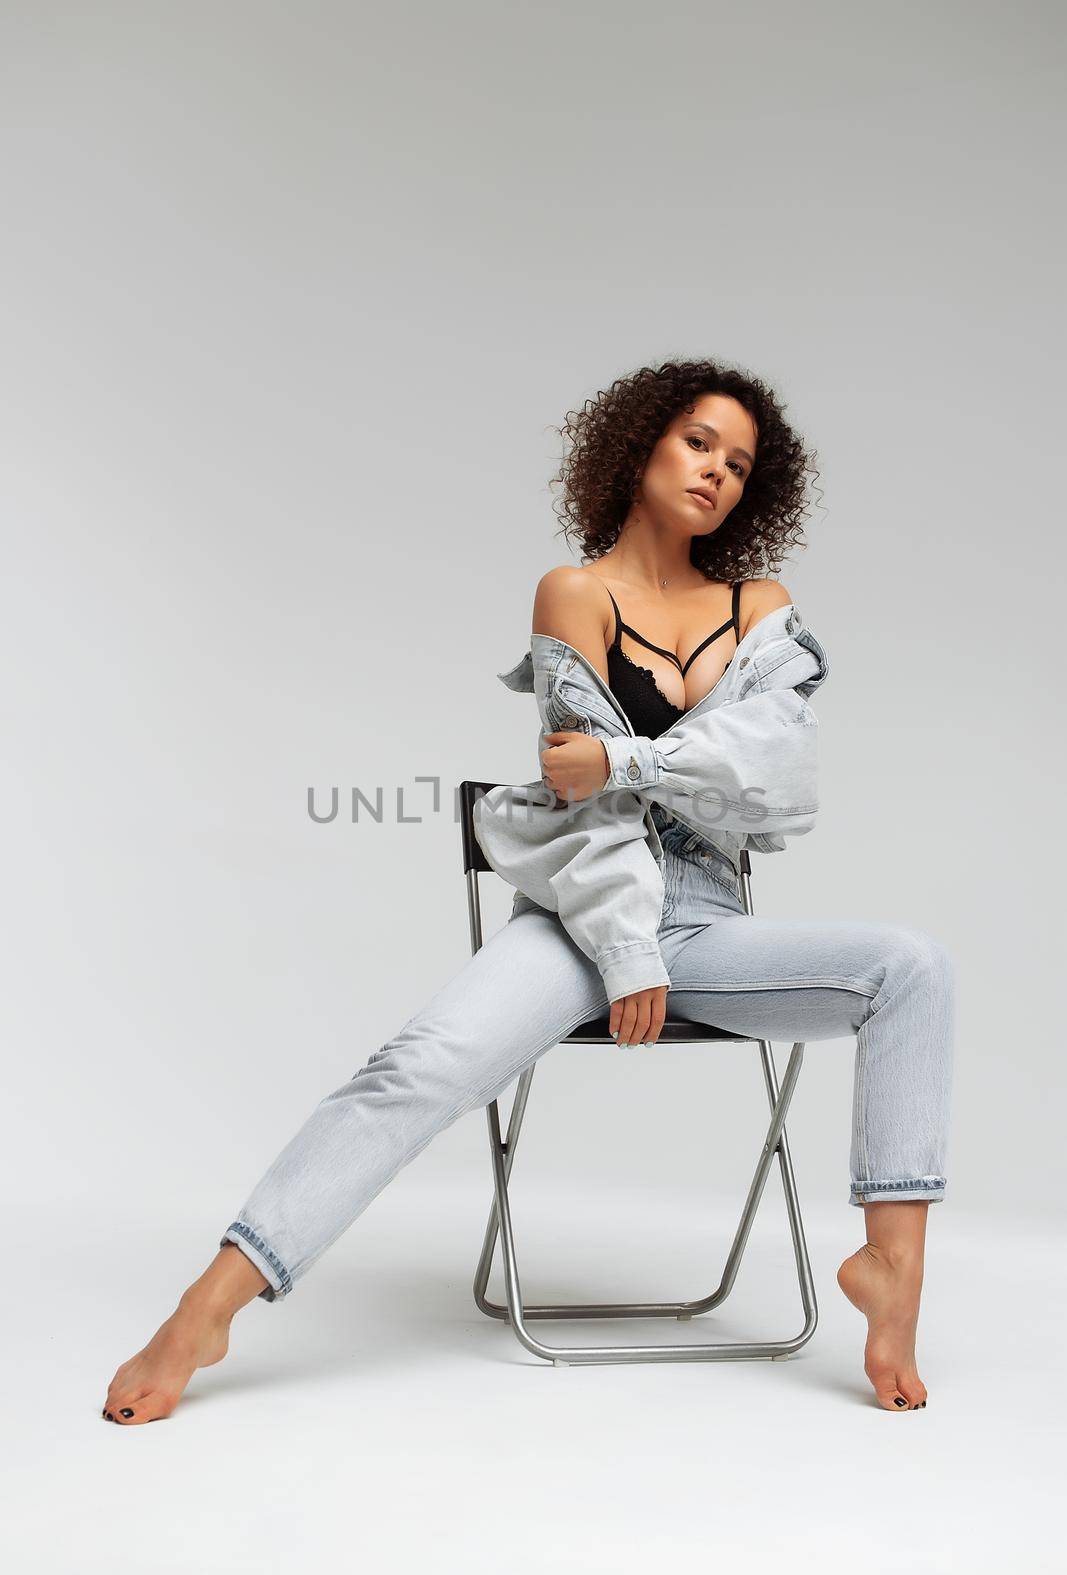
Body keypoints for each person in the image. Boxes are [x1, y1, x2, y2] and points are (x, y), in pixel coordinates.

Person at [101, 360, 952, 1425]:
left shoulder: (761, 609)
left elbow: (777, 781)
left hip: (703, 925)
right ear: (640, 443)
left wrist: (630, 766)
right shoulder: (572, 593)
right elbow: (574, 798)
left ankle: (890, 1276)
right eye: (696, 442)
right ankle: (210, 1303)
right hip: (574, 925)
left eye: (737, 465)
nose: (715, 473)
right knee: (415, 1067)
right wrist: (624, 946)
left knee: (913, 967)